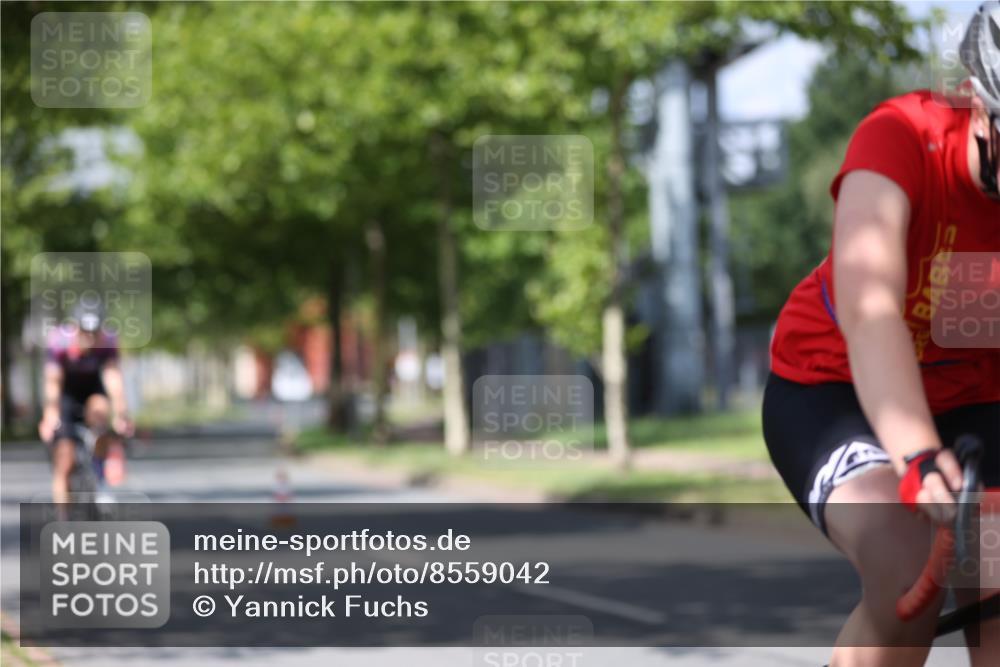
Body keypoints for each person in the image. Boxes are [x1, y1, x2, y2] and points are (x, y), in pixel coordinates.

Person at [762, 3, 1000, 666]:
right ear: (980, 109)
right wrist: (918, 454)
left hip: (977, 394)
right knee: (907, 571)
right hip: (834, 386)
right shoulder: (902, 135)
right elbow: (872, 309)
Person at [37, 300, 133, 505]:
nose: (90, 337)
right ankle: (63, 520)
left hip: (93, 391)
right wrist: (50, 414)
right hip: (66, 395)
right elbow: (53, 381)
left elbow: (113, 379)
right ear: (75, 327)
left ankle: (100, 481)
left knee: (100, 410)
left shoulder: (107, 341)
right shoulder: (59, 341)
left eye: (94, 332)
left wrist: (121, 413)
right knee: (65, 460)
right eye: (85, 331)